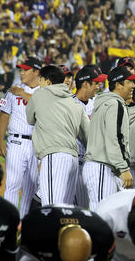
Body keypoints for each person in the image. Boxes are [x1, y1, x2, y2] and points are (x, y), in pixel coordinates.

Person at [25, 65, 88, 205]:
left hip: (55, 156)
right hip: (73, 159)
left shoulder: (40, 94)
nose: (39, 84)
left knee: (51, 207)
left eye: (40, 80)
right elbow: (88, 135)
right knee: (65, 208)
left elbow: (30, 119)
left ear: (47, 82)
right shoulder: (75, 102)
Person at [82, 66, 135, 210]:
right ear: (119, 84)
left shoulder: (105, 102)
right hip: (102, 165)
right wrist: (123, 168)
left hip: (99, 165)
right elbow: (113, 138)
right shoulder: (114, 104)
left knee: (103, 214)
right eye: (129, 82)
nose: (133, 86)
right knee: (102, 215)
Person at [0, 56, 42, 217]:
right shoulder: (13, 90)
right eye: (21, 69)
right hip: (15, 141)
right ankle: (8, 222)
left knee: (31, 187)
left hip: (36, 144)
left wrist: (22, 94)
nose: (22, 72)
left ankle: (23, 223)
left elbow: (42, 105)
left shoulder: (44, 92)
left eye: (25, 70)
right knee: (12, 185)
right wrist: (0, 140)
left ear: (36, 72)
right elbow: (4, 115)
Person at [72, 65, 107, 206]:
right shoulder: (68, 103)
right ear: (85, 84)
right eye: (96, 83)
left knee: (82, 209)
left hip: (88, 164)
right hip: (70, 162)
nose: (99, 86)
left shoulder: (98, 104)